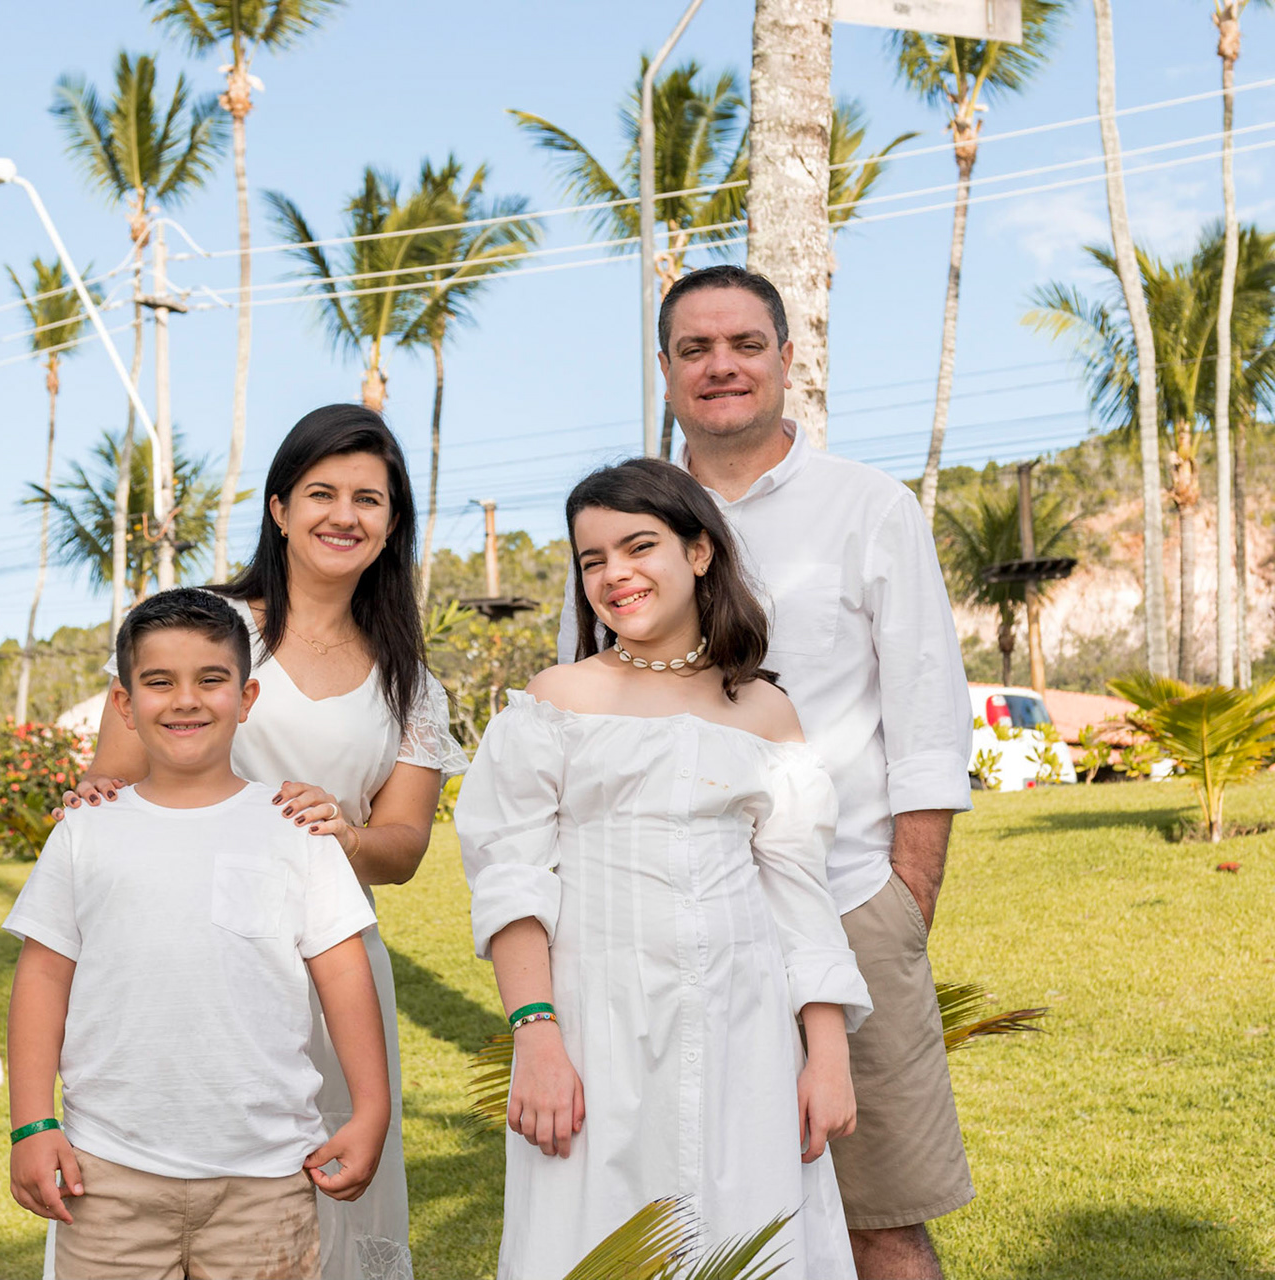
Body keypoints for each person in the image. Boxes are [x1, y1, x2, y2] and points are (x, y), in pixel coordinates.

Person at [558, 265, 976, 1280]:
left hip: (843, 904)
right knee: (671, 1220)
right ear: (665, 371)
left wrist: (904, 900)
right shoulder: (621, 523)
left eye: (746, 344)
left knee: (881, 1221)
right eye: (694, 349)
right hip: (657, 931)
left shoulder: (871, 507)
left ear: (788, 358)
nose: (722, 365)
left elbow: (927, 719)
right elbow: (582, 719)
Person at [63, 404, 468, 1280]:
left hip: (333, 967)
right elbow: (114, 777)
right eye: (321, 492)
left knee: (319, 1203)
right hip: (184, 957)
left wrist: (343, 835)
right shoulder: (203, 628)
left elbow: (404, 847)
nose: (343, 515)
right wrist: (95, 796)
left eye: (369, 498)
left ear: (392, 523)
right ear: (280, 508)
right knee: (162, 1192)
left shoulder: (411, 683)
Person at [458, 458, 871, 1280]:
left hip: (744, 1038)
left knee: (750, 1239)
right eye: (592, 559)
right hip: (594, 1033)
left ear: (699, 552)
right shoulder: (557, 701)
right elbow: (512, 883)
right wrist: (537, 1036)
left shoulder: (765, 712)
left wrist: (826, 1056)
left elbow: (799, 897)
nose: (614, 574)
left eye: (638, 546)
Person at [6, 588, 391, 1280]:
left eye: (210, 679)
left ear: (246, 698)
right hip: (107, 1175)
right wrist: (32, 1124)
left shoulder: (295, 829)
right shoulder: (85, 832)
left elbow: (343, 972)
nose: (185, 700)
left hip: (267, 1181)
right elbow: (41, 977)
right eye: (159, 682)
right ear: (124, 704)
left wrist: (372, 1109)